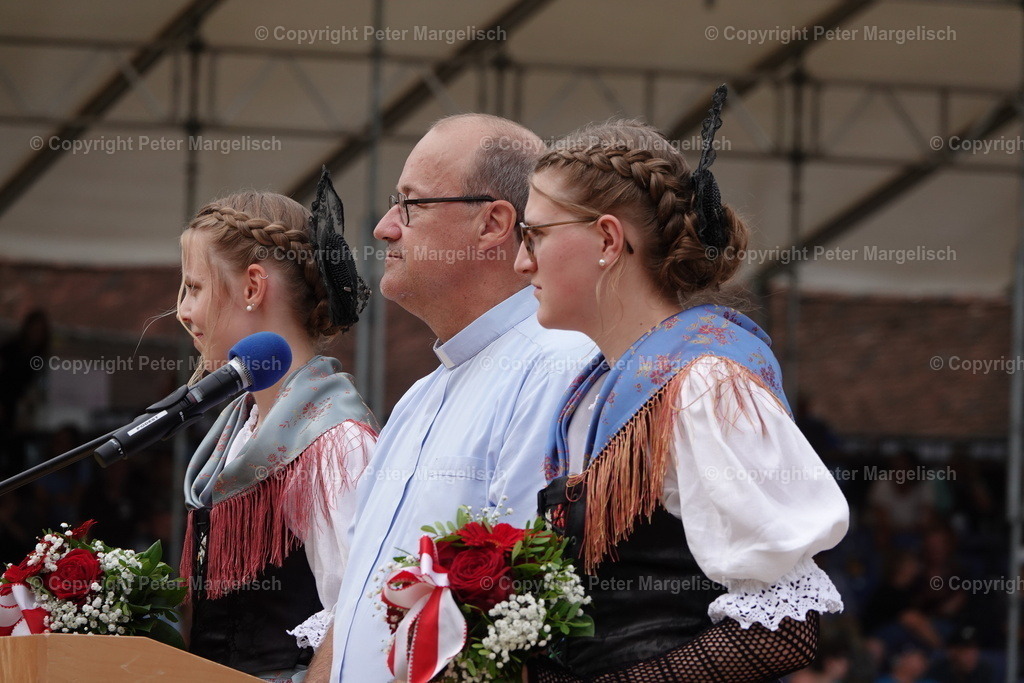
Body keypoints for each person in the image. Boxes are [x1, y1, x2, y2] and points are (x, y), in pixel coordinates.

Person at [517, 87, 849, 681]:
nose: (522, 262)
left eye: (535, 234)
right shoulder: (591, 389)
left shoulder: (705, 383)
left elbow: (781, 633)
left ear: (607, 241)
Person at [317, 114, 594, 682]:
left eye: (410, 205)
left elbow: (516, 619)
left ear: (493, 223)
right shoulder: (419, 398)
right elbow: (355, 601)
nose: (385, 228)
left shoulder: (555, 368)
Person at [177, 172, 377, 680]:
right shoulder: (238, 428)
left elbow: (364, 611)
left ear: (252, 286)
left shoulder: (336, 442)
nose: (182, 310)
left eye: (194, 287)